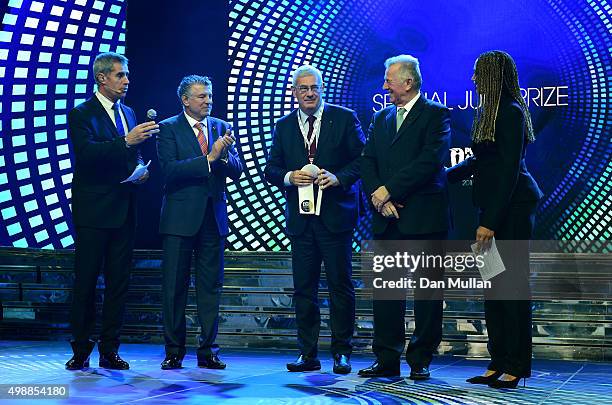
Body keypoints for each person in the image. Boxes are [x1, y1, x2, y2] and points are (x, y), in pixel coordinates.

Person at [447, 50, 543, 389]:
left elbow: (506, 174)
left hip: (510, 212)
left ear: (491, 76)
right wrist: (440, 177)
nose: (472, 79)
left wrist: (488, 222)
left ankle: (516, 366)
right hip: (492, 212)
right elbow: (479, 161)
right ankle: (498, 360)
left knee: (512, 291)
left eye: (477, 73)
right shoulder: (491, 113)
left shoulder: (512, 114)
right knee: (494, 289)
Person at [264, 65, 365, 374]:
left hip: (336, 218)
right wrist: (288, 176)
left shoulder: (344, 118)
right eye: (303, 88)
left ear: (322, 89)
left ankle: (342, 353)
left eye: (314, 88)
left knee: (340, 287)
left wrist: (339, 177)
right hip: (301, 221)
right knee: (304, 290)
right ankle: (307, 353)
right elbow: (270, 169)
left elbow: (363, 159)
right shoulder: (283, 126)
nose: (309, 93)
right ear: (294, 92)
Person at [359, 55, 451, 380]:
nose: (384, 86)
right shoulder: (381, 118)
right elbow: (367, 161)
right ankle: (386, 358)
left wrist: (389, 190)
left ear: (408, 82)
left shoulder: (436, 115)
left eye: (389, 80)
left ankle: (421, 359)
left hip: (425, 218)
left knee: (427, 295)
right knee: (386, 293)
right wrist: (377, 195)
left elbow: (429, 162)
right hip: (387, 218)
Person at [66, 52, 159, 370]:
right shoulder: (82, 113)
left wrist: (139, 168)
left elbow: (129, 153)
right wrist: (125, 140)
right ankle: (80, 349)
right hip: (94, 210)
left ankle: (110, 350)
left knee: (119, 282)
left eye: (127, 75)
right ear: (102, 78)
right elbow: (88, 155)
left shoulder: (129, 112)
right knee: (87, 281)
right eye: (120, 75)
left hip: (124, 208)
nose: (127, 80)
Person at [157, 75, 243, 370]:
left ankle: (208, 351)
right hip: (179, 221)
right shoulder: (168, 128)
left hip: (213, 220)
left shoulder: (221, 127)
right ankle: (174, 351)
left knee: (211, 288)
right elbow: (168, 171)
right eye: (201, 96)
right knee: (174, 289)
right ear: (185, 100)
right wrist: (210, 156)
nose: (208, 101)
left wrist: (223, 157)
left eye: (209, 95)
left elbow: (237, 170)